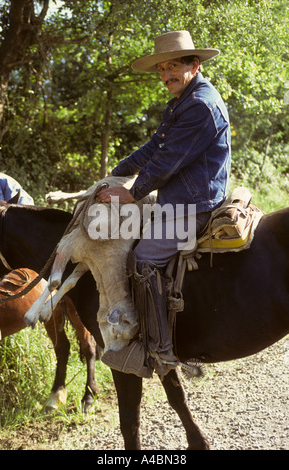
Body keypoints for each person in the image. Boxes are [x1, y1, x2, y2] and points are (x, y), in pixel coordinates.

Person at [98, 31, 231, 378]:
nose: (166, 74)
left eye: (173, 66)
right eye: (162, 68)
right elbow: (152, 149)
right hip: (182, 197)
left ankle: (159, 348)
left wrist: (130, 192)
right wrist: (114, 175)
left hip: (194, 204)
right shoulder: (183, 101)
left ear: (194, 65)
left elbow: (166, 161)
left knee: (142, 257)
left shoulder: (200, 105)